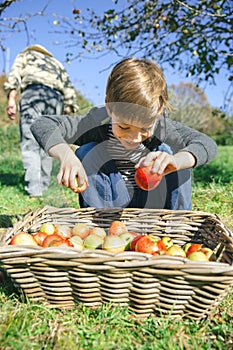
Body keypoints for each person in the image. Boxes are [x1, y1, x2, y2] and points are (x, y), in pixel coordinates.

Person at [31, 58, 217, 209]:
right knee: (86, 152)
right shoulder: (97, 122)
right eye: (124, 127)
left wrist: (175, 162)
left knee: (172, 154)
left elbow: (205, 144)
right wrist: (66, 155)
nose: (134, 137)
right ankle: (100, 227)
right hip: (110, 207)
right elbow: (43, 124)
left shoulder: (162, 127)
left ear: (158, 115)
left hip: (156, 211)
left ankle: (177, 230)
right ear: (110, 108)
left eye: (144, 129)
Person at [4, 44, 79, 198]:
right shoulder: (56, 63)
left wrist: (11, 98)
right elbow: (68, 88)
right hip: (55, 99)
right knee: (49, 144)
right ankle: (44, 187)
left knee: (30, 142)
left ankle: (34, 190)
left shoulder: (27, 55)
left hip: (34, 94)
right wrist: (68, 111)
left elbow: (15, 75)